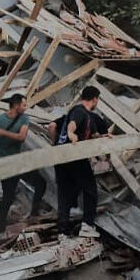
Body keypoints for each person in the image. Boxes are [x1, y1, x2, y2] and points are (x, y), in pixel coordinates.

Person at [0, 94, 46, 235]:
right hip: (6, 163)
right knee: (8, 197)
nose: (26, 107)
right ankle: (0, 229)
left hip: (18, 162)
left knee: (41, 183)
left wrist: (2, 133)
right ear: (16, 106)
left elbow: (22, 137)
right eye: (24, 105)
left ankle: (33, 214)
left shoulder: (23, 118)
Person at [54, 86, 110, 238]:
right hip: (73, 155)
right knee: (90, 189)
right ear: (95, 99)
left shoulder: (88, 117)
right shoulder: (79, 111)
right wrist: (71, 134)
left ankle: (63, 232)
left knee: (65, 193)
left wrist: (103, 137)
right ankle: (87, 225)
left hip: (63, 158)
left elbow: (91, 135)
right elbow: (72, 124)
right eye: (97, 100)